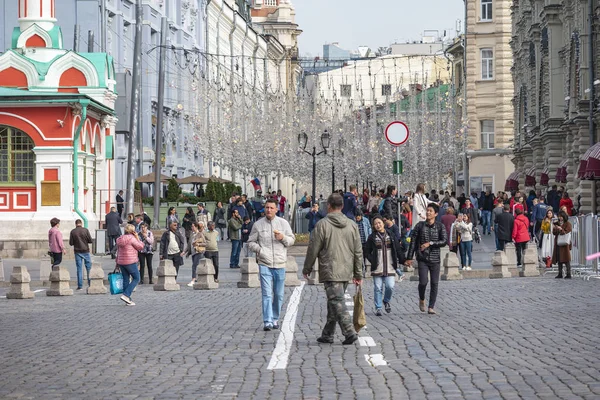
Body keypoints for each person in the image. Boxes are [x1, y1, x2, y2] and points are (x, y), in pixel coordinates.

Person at [302, 193, 362, 345]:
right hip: (346, 269)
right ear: (342, 206)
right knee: (334, 302)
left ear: (328, 205)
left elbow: (313, 248)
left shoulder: (322, 225)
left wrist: (307, 268)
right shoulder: (352, 225)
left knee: (337, 301)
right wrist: (358, 273)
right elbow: (358, 251)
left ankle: (349, 331)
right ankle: (327, 333)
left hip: (330, 268)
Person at [248, 198, 295, 331]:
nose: (269, 210)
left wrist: (283, 238)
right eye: (267, 207)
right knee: (267, 294)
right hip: (265, 263)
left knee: (279, 294)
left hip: (280, 263)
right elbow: (250, 242)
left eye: (271, 208)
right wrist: (260, 251)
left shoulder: (283, 223)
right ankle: (267, 321)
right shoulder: (258, 225)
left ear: (276, 209)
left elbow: (292, 240)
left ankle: (275, 318)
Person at [406, 204, 447, 315]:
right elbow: (413, 242)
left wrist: (431, 243)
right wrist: (409, 258)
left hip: (435, 258)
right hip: (422, 258)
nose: (428, 212)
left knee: (434, 283)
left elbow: (444, 241)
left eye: (430, 211)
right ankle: (422, 298)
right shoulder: (420, 226)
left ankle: (431, 306)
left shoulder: (440, 226)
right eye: (427, 210)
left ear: (436, 214)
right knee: (423, 282)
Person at [365, 215, 404, 316]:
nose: (378, 225)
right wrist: (372, 260)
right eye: (375, 224)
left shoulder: (390, 235)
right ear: (373, 226)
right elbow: (366, 251)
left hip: (390, 265)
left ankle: (386, 300)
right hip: (377, 266)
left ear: (383, 223)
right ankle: (378, 307)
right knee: (378, 288)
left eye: (379, 223)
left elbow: (397, 248)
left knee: (390, 286)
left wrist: (404, 260)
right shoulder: (372, 237)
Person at [116, 224, 144, 306]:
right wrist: (137, 237)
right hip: (130, 261)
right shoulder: (132, 239)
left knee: (126, 279)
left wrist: (117, 262)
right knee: (136, 278)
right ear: (133, 231)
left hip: (121, 261)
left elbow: (118, 251)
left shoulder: (120, 239)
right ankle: (126, 295)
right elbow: (141, 246)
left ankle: (127, 299)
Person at [68, 219, 93, 290]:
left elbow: (71, 243)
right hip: (86, 251)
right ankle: (90, 284)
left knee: (79, 269)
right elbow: (90, 241)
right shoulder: (85, 230)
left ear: (75, 224)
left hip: (77, 251)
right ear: (81, 223)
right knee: (88, 268)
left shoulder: (73, 231)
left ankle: (80, 286)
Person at [552, 211, 573, 278]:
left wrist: (561, 229)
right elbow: (554, 233)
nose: (560, 218)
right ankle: (560, 273)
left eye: (561, 216)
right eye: (559, 216)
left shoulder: (568, 224)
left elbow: (567, 232)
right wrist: (556, 228)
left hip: (565, 243)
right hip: (558, 242)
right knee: (559, 258)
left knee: (566, 259)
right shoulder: (557, 223)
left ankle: (568, 273)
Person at [355, 208, 372, 276]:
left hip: (365, 240)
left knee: (366, 255)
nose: (357, 218)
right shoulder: (354, 222)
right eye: (356, 216)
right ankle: (360, 269)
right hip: (358, 242)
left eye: (358, 216)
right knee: (359, 256)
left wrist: (369, 237)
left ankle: (365, 269)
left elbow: (369, 228)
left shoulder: (365, 220)